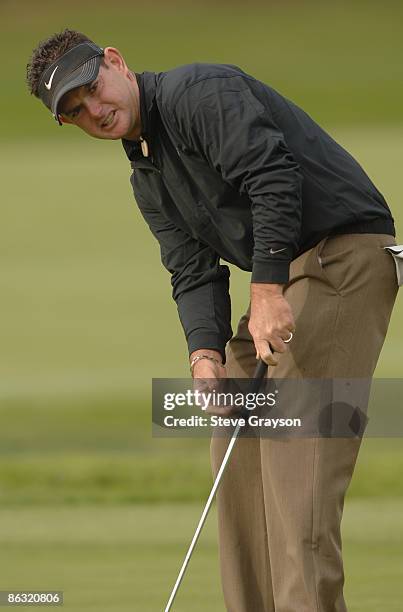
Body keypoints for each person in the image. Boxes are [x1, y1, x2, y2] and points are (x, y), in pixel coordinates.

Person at [27, 29, 398, 612]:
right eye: (76, 112)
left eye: (93, 90)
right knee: (234, 429)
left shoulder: (199, 93)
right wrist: (205, 356)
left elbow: (273, 176)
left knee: (295, 454)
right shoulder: (147, 177)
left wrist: (269, 287)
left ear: (116, 63)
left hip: (342, 257)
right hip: (293, 271)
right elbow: (192, 271)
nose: (95, 111)